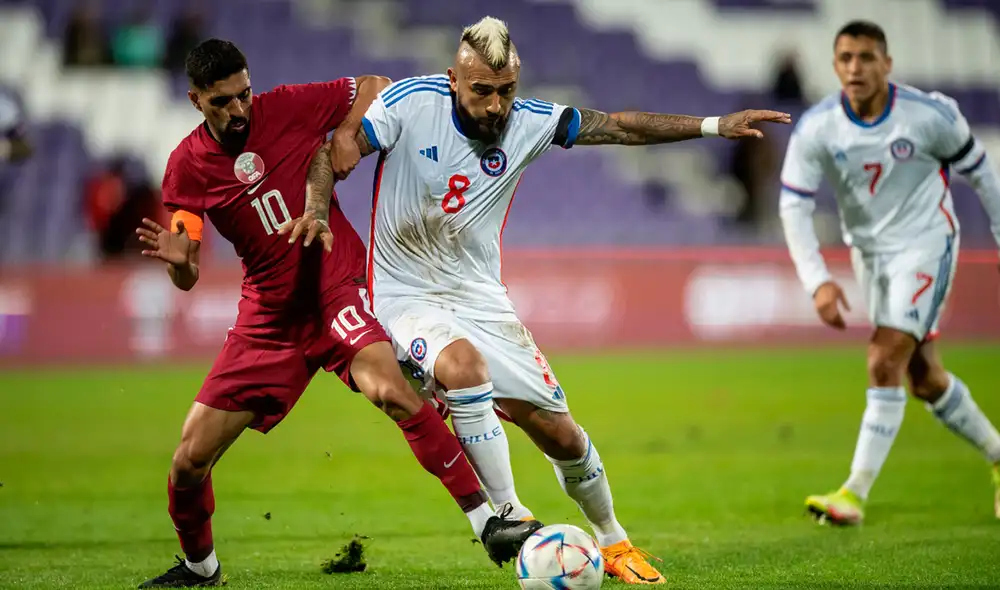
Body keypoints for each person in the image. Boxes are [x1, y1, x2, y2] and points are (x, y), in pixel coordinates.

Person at [282, 16, 789, 584]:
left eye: (506, 91)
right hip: (405, 293)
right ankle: (509, 516)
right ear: (454, 80)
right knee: (463, 367)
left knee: (563, 435)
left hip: (481, 298)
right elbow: (332, 150)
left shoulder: (530, 122)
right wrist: (318, 207)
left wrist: (715, 125)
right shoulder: (410, 104)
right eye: (482, 91)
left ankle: (615, 543)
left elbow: (620, 128)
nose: (496, 105)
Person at [134, 39, 540, 588]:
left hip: (335, 287)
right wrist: (180, 264)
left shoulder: (287, 105)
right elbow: (188, 270)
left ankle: (487, 521)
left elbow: (374, 87)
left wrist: (345, 135)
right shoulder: (186, 167)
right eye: (222, 102)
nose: (238, 110)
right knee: (188, 460)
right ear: (195, 100)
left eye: (243, 95)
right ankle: (199, 568)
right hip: (269, 319)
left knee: (392, 392)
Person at [778, 20, 1000, 525]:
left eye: (866, 57)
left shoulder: (929, 116)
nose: (856, 68)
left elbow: (982, 171)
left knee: (883, 359)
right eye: (846, 58)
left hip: (926, 244)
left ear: (887, 63)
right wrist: (818, 281)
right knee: (923, 378)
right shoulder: (817, 127)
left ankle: (853, 493)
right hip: (870, 255)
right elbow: (793, 206)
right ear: (835, 66)